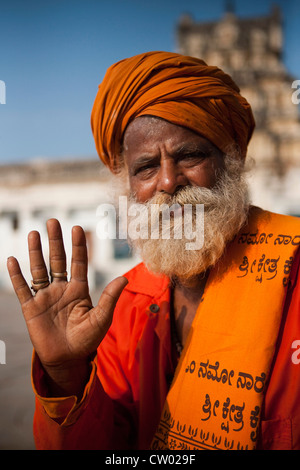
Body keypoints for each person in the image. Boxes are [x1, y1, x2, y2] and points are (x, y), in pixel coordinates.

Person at [7, 51, 300, 451]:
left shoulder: (293, 268)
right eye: (145, 167)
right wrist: (65, 375)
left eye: (190, 156)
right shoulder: (125, 305)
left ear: (232, 160)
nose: (167, 181)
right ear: (128, 186)